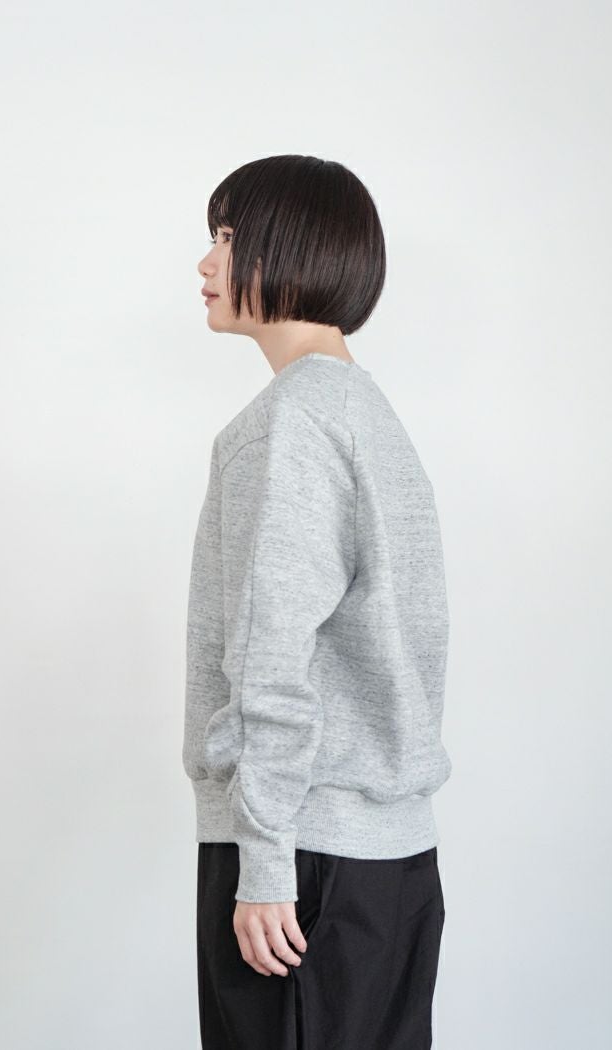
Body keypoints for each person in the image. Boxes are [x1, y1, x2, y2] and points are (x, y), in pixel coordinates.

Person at [182, 153, 450, 1049]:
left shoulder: (288, 425)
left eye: (226, 236)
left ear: (287, 246)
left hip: (300, 867)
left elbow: (272, 659)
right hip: (389, 867)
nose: (206, 262)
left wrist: (263, 859)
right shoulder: (368, 415)